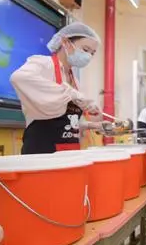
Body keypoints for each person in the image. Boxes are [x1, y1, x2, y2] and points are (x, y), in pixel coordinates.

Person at [11, 22, 105, 154]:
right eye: (85, 50)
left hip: (68, 153)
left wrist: (91, 125)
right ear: (66, 42)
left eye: (92, 53)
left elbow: (68, 124)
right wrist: (72, 94)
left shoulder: (75, 80)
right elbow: (18, 77)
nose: (88, 56)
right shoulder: (43, 64)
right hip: (41, 154)